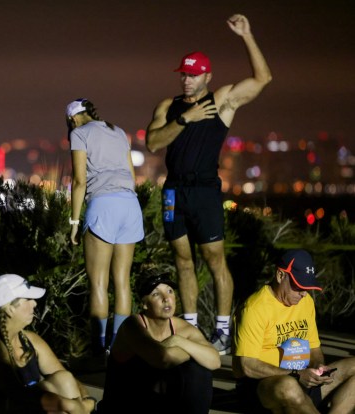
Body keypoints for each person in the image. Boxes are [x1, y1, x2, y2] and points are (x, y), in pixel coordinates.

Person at [145, 14, 272, 354]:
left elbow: (263, 78)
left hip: (204, 190)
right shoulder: (169, 107)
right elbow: (154, 143)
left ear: (207, 76)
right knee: (182, 261)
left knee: (215, 259)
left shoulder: (221, 101)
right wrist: (185, 120)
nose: (187, 80)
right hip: (173, 190)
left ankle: (222, 331)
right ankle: (189, 327)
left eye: (194, 74)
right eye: (183, 74)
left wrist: (247, 34)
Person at [0, 273, 97, 413]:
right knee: (54, 404)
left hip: (11, 405)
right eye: (27, 299)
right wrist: (67, 404)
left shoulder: (29, 339)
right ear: (10, 309)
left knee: (63, 379)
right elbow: (17, 394)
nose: (34, 303)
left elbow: (68, 378)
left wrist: (88, 401)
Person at [232, 249, 355, 413]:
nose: (304, 293)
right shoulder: (254, 308)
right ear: (280, 276)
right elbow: (247, 366)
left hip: (302, 378)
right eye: (299, 286)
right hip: (263, 386)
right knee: (288, 386)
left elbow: (314, 348)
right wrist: (295, 374)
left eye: (308, 287)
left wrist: (319, 366)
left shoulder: (306, 302)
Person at [67, 98, 144, 357]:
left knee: (99, 283)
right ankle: (120, 345)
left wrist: (74, 222)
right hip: (130, 206)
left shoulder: (79, 133)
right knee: (122, 281)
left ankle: (99, 348)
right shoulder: (118, 131)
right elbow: (133, 177)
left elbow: (79, 181)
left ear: (73, 118)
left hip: (103, 206)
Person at [99, 271, 221, 413]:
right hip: (124, 404)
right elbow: (162, 359)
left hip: (158, 404)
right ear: (145, 304)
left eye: (169, 291)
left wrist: (177, 340)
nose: (166, 298)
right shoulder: (132, 325)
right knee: (196, 359)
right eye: (156, 294)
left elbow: (214, 360)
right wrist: (192, 351)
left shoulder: (182, 328)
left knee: (199, 369)